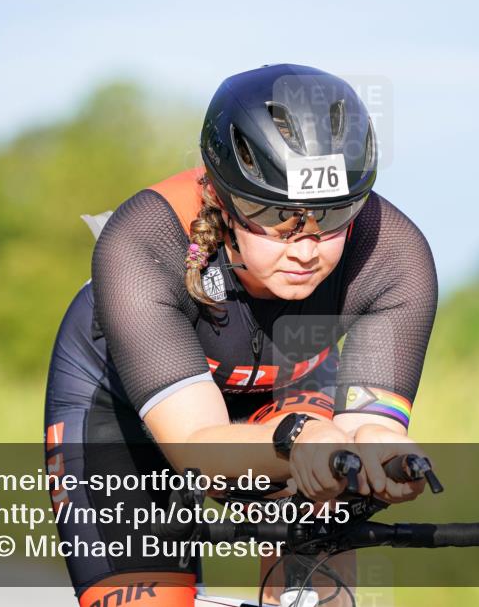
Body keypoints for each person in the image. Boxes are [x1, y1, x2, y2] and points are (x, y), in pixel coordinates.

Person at [44, 64, 438, 607]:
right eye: (276, 217)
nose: (305, 248)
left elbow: (364, 427)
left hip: (286, 395)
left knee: (330, 508)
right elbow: (197, 449)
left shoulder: (393, 257)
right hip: (127, 409)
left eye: (333, 215)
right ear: (220, 198)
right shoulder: (143, 240)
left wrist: (385, 456)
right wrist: (299, 441)